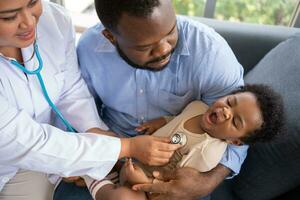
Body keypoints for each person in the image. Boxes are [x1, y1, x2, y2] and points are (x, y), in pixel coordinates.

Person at [0, 1, 179, 200]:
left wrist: (96, 132)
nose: (29, 21)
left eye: (33, 2)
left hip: (55, 146)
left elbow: (69, 89)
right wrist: (123, 147)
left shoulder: (55, 20)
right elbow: (30, 144)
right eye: (9, 17)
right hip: (13, 161)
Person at [74, 0, 248, 199]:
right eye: (145, 47)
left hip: (175, 172)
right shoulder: (89, 50)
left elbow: (243, 129)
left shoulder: (211, 54)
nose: (164, 50)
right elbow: (79, 110)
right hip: (110, 154)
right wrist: (87, 156)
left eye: (171, 32)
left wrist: (206, 182)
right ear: (111, 37)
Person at [81, 84, 285, 200]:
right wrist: (160, 122)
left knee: (122, 199)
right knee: (99, 138)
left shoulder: (208, 152)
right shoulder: (197, 106)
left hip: (147, 189)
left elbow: (173, 184)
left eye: (235, 121)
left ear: (236, 142)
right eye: (230, 102)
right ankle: (103, 170)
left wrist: (141, 181)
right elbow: (177, 120)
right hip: (134, 157)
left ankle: (94, 180)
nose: (225, 111)